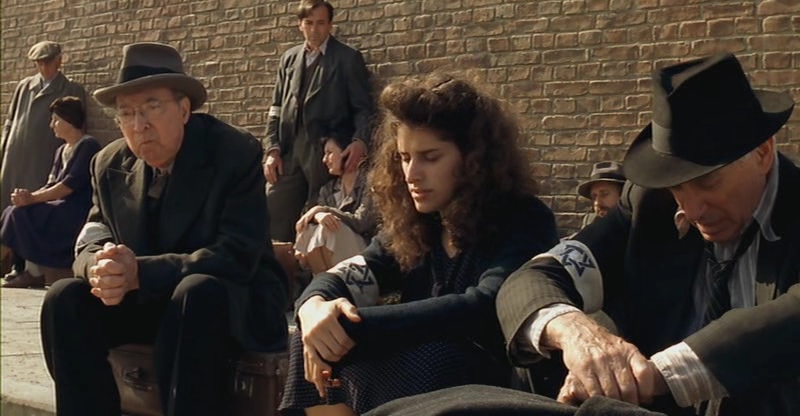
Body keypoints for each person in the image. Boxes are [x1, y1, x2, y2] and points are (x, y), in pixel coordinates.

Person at [494, 53, 800, 415]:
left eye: (708, 182)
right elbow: (535, 278)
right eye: (677, 186)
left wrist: (650, 376)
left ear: (763, 153)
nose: (691, 210)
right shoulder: (648, 203)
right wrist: (575, 333)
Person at [279, 73, 559, 416]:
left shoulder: (525, 219)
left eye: (430, 157)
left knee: (436, 356)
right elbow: (356, 271)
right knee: (310, 337)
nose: (412, 174)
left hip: (491, 389)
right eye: (404, 157)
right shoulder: (418, 224)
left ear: (474, 158)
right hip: (418, 382)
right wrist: (313, 307)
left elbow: (482, 307)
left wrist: (351, 326)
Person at [39, 43, 288, 416]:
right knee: (65, 298)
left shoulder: (234, 152)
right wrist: (99, 267)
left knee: (195, 291)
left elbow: (237, 254)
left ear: (184, 110)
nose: (139, 125)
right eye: (127, 113)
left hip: (228, 302)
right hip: (148, 301)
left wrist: (141, 272)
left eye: (152, 107)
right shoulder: (108, 163)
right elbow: (94, 232)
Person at [263, 0, 376, 242]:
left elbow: (363, 108)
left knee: (319, 218)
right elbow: (275, 109)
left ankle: (313, 265)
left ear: (330, 25)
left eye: (321, 23)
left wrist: (359, 141)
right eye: (309, 23)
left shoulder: (347, 58)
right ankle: (277, 264)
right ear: (300, 25)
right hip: (289, 150)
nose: (314, 29)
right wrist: (272, 149)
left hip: (325, 152)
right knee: (273, 209)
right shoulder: (288, 59)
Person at [1, 41, 87, 275]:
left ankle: (23, 267)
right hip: (15, 155)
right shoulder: (24, 86)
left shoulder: (70, 89)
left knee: (29, 212)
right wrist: (4, 147)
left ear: (59, 61)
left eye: (47, 62)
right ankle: (14, 265)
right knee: (10, 204)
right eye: (38, 63)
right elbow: (10, 120)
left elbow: (78, 125)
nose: (43, 67)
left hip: (42, 157)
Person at [1, 96, 100, 288]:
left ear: (69, 120)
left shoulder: (88, 146)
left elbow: (67, 186)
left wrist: (32, 199)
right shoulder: (61, 150)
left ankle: (32, 272)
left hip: (76, 209)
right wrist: (25, 196)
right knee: (13, 210)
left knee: (22, 213)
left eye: (56, 120)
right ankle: (27, 270)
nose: (51, 125)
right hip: (58, 205)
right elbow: (50, 184)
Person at [294, 132, 377, 275]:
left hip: (364, 252)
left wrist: (323, 210)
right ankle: (323, 280)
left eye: (329, 153)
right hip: (332, 252)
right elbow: (314, 220)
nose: (324, 160)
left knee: (328, 228)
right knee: (312, 227)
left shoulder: (370, 184)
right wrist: (318, 214)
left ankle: (327, 280)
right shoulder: (328, 189)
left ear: (347, 153)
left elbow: (361, 223)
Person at [576, 161, 625, 227]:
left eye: (604, 194)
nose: (597, 203)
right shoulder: (591, 222)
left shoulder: (635, 225)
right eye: (594, 197)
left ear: (622, 195)